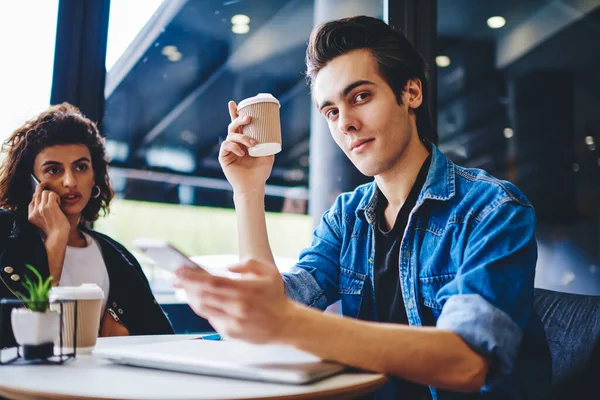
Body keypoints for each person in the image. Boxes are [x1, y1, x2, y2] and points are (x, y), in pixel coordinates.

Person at [175, 16, 551, 399]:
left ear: (411, 93)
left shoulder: (491, 209)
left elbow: (468, 360)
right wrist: (249, 191)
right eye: (332, 112)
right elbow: (281, 304)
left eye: (360, 97)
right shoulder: (347, 217)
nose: (346, 124)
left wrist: (290, 324)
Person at [0, 103, 173, 347]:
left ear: (95, 177)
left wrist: (125, 333)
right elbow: (13, 336)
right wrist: (56, 238)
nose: (70, 181)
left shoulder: (115, 255)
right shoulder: (5, 235)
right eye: (53, 170)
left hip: (97, 383)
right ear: (30, 182)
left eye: (81, 167)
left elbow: (163, 343)